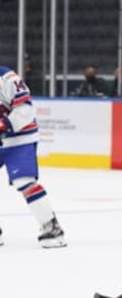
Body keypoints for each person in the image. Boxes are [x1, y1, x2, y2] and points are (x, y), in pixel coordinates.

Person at [0, 66, 66, 248]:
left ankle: (51, 227)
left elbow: (25, 110)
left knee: (24, 181)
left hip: (20, 138)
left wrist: (3, 125)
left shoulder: (7, 78)